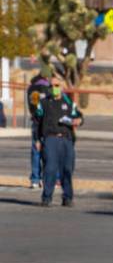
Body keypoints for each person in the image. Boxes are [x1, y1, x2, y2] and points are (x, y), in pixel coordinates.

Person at [34, 75, 83, 208]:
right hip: (50, 138)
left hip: (66, 139)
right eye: (51, 86)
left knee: (67, 169)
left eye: (56, 85)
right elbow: (37, 122)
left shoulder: (68, 103)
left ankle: (67, 197)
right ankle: (46, 197)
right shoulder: (43, 103)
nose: (54, 88)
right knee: (50, 168)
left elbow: (79, 116)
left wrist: (78, 120)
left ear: (61, 87)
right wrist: (37, 140)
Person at [26, 67, 51, 188]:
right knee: (47, 152)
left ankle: (35, 179)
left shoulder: (31, 88)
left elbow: (32, 107)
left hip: (35, 121)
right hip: (46, 123)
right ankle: (44, 178)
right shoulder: (47, 88)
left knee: (35, 151)